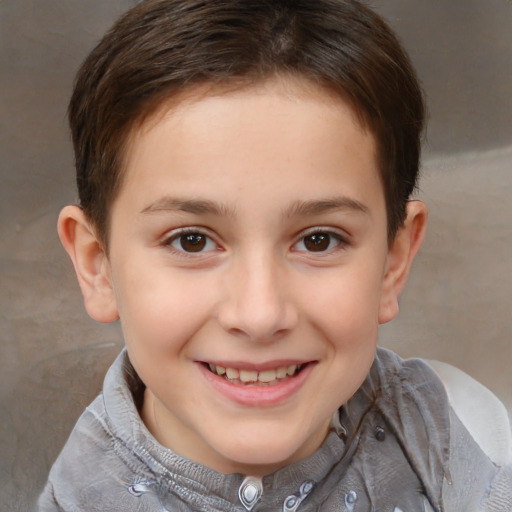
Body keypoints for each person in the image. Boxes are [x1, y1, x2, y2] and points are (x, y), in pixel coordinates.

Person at [37, 0, 512, 510]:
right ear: (97, 265)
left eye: (318, 240)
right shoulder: (80, 497)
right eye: (191, 240)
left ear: (392, 264)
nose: (259, 315)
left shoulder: (437, 429)